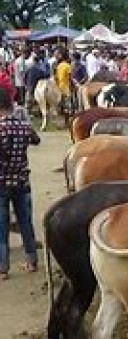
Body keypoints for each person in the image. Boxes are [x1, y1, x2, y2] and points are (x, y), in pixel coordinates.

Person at [0, 87, 40, 281]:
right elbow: (36, 140)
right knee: (25, 223)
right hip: (22, 180)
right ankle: (32, 261)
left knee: (1, 225)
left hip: (1, 184)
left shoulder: (0, 128)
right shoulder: (23, 125)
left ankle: (3, 268)